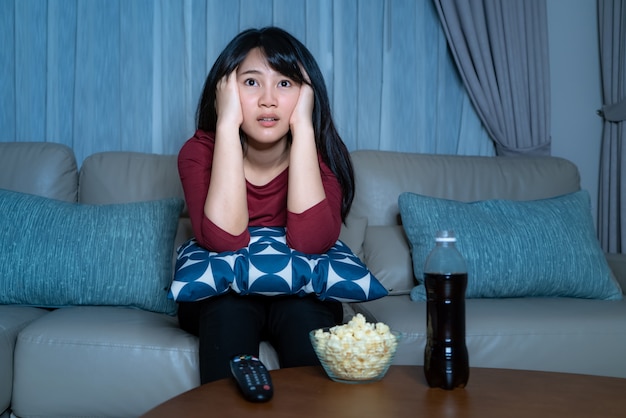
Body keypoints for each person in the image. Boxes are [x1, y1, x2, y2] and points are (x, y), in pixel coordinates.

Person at [177, 26, 355, 383]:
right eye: (252, 83)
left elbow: (310, 242)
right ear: (224, 90)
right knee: (229, 310)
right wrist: (226, 124)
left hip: (300, 295)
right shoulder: (198, 152)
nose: (269, 100)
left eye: (285, 84)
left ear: (306, 94)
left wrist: (304, 127)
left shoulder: (323, 160)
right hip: (221, 295)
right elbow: (224, 241)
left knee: (304, 314)